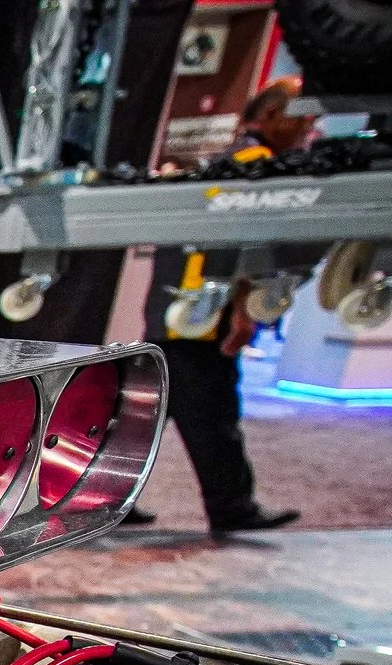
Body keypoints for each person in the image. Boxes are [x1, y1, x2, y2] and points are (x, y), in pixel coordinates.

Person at [122, 80, 307, 535]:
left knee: (140, 418)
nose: (308, 130)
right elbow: (245, 248)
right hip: (201, 318)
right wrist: (243, 312)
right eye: (302, 118)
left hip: (177, 311)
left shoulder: (223, 162)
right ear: (271, 116)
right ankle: (232, 507)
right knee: (212, 417)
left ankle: (102, 501)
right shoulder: (255, 168)